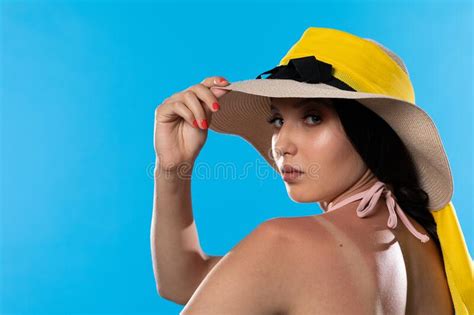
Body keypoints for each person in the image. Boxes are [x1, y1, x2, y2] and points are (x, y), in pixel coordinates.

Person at [151, 27, 473, 314]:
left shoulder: (285, 246)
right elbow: (183, 281)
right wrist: (172, 168)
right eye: (277, 120)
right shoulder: (428, 244)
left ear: (371, 131)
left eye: (313, 117)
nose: (281, 144)